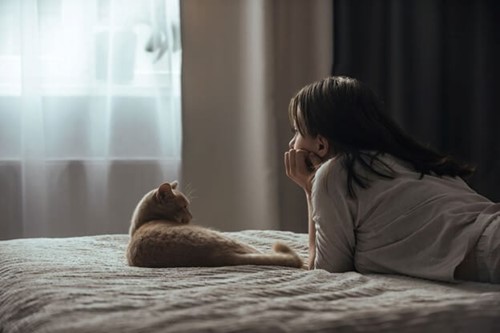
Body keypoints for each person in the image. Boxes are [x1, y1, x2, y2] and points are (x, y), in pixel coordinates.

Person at [284, 76, 500, 283]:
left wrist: (309, 187)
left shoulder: (334, 174)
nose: (292, 144)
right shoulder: (410, 159)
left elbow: (324, 271)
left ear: (321, 144)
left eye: (297, 131)